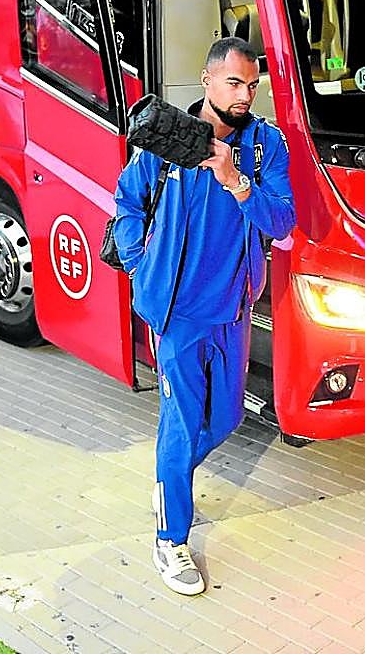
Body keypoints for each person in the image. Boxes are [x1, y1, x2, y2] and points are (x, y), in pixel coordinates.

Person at [112, 37, 295, 596]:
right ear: (207, 81)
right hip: (178, 313)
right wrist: (143, 267)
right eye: (235, 83)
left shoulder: (265, 145)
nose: (245, 96)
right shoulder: (166, 142)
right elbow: (126, 203)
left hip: (232, 309)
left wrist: (236, 182)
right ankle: (171, 539)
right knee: (182, 422)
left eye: (253, 85)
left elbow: (283, 219)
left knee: (227, 420)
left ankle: (170, 482)